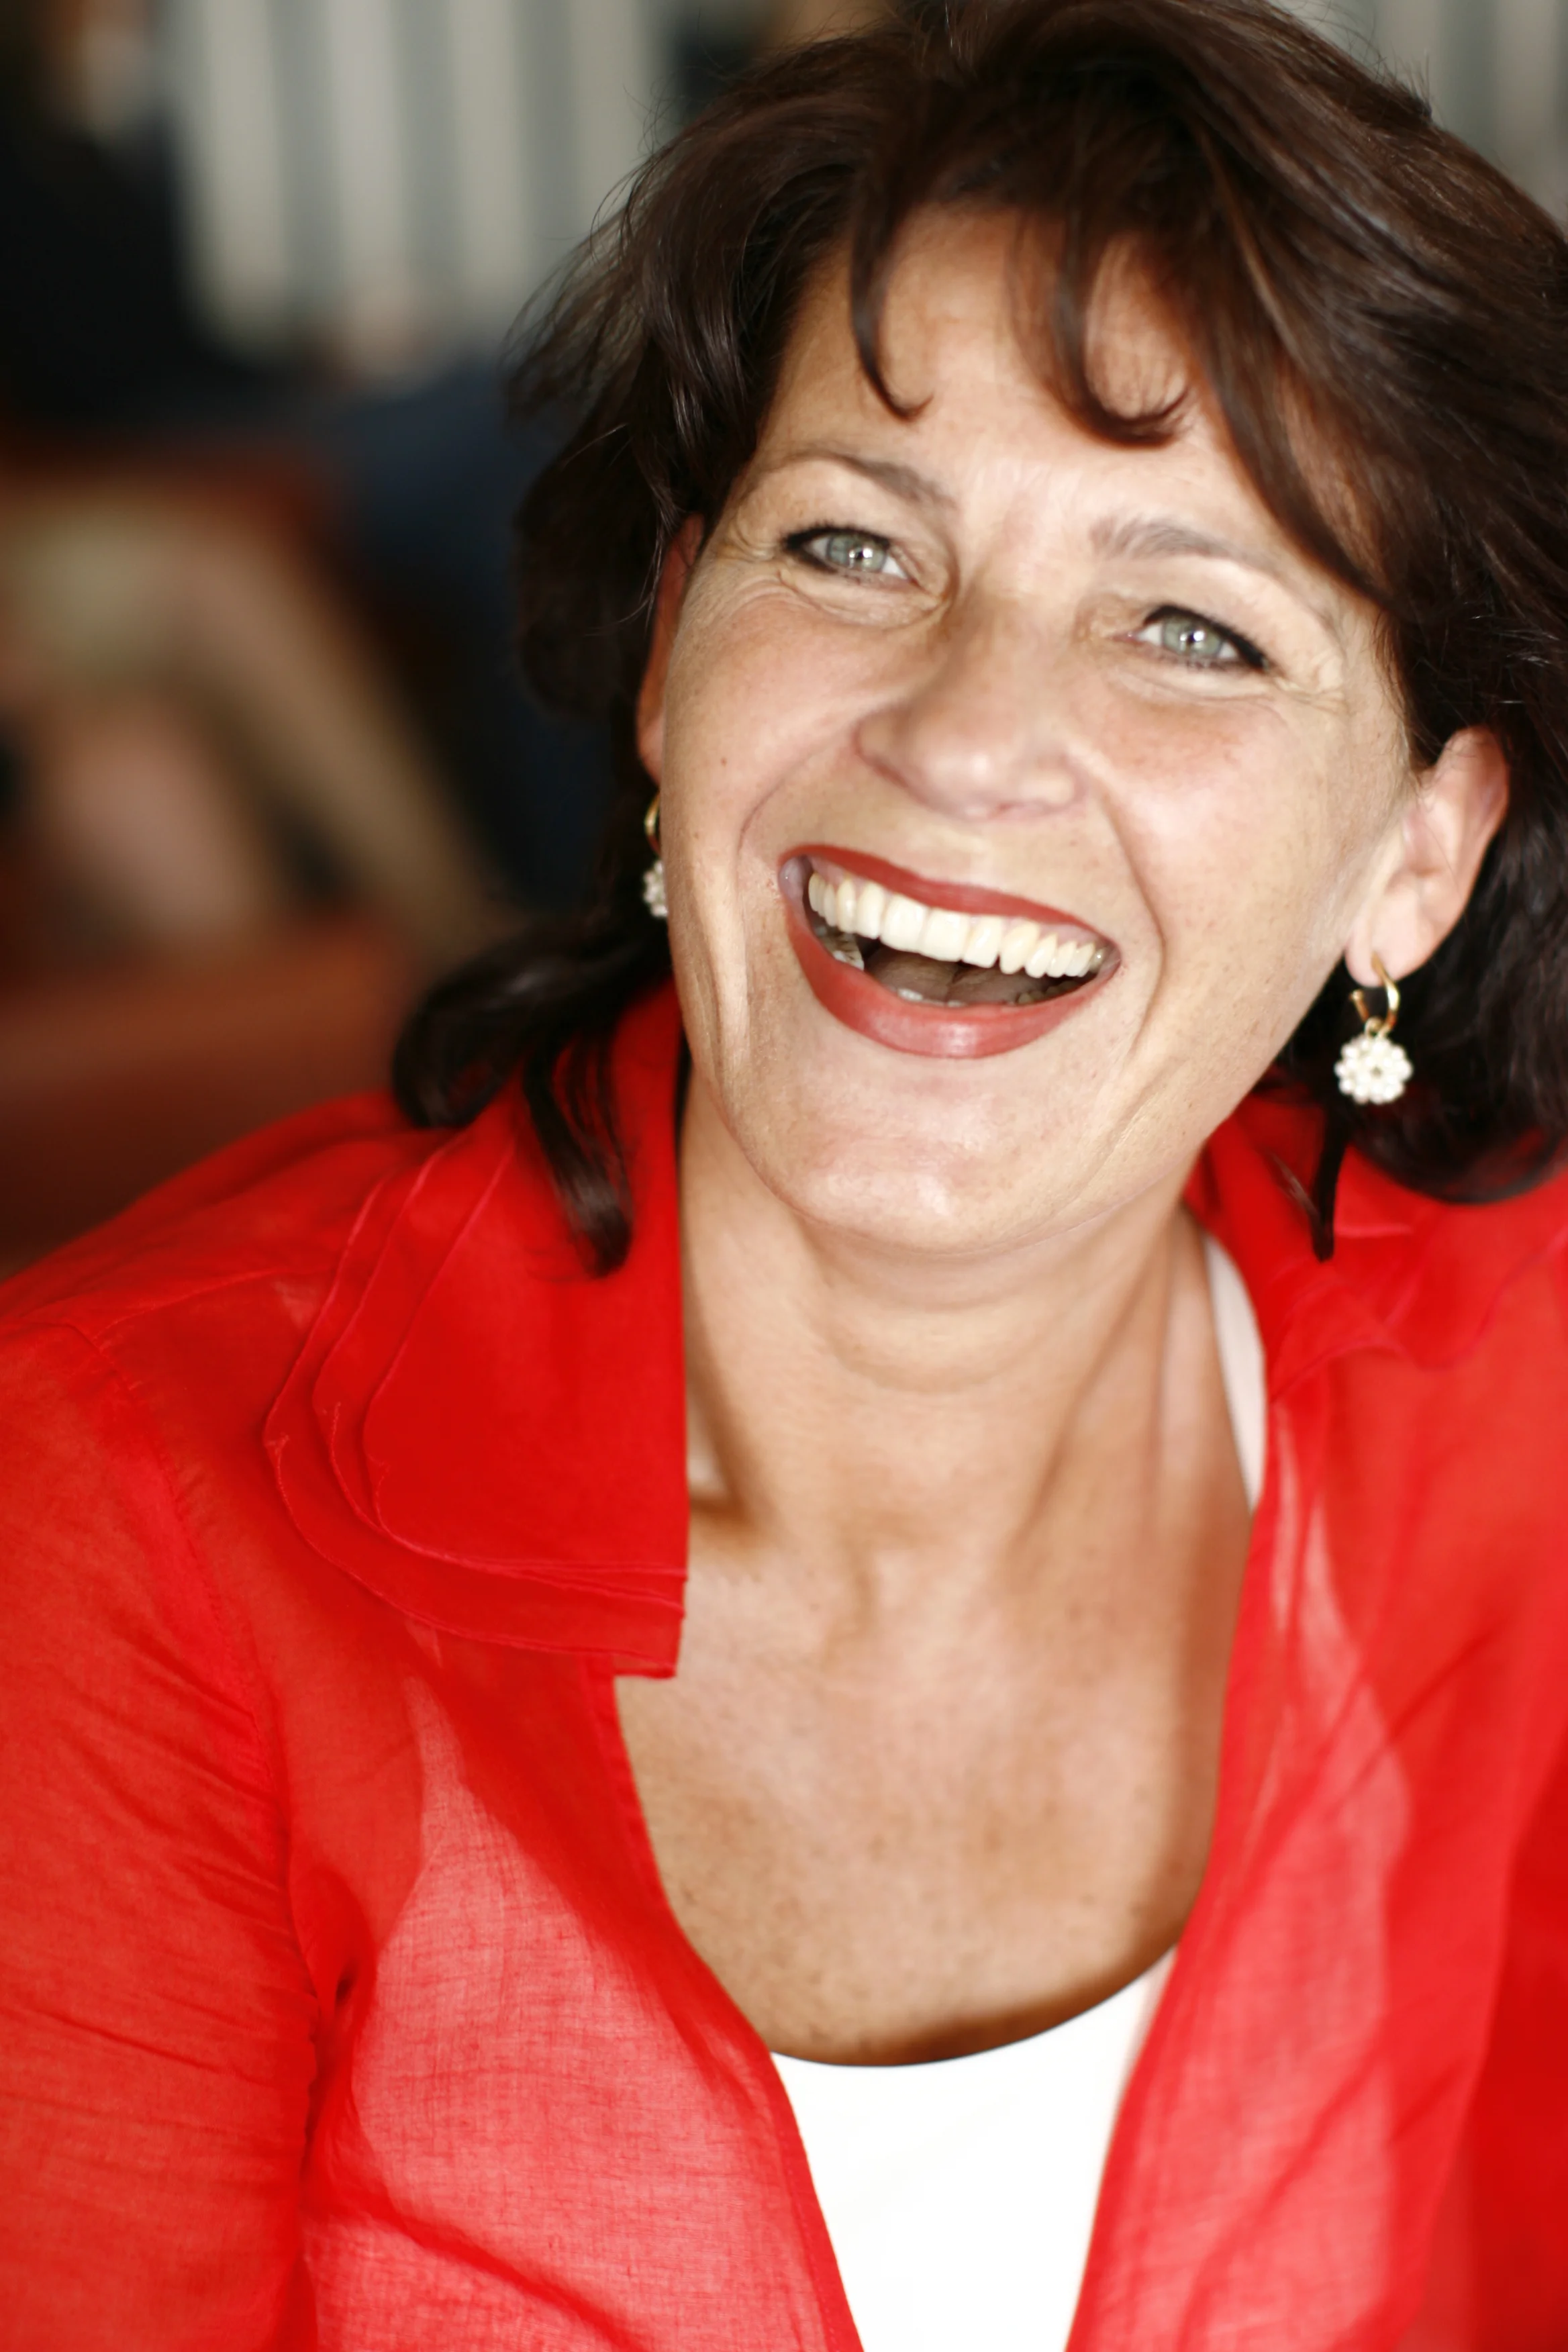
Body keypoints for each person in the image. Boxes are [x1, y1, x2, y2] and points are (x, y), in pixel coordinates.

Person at [2, 2, 1567, 2345]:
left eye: (1190, 626)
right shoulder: (112, 1519)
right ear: (671, 660)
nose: (965, 736)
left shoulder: (1508, 1386)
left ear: (1419, 858)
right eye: (852, 543)